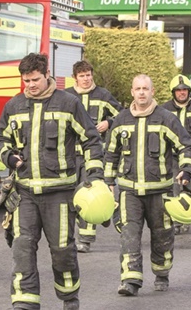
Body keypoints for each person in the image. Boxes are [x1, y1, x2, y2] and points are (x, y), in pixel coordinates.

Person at [0, 53, 105, 310]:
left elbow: (91, 139)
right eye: (26, 80)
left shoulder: (68, 103)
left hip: (60, 194)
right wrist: (9, 157)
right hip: (24, 194)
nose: (30, 85)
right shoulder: (14, 105)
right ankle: (25, 302)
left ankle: (69, 298)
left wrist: (95, 177)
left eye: (35, 79)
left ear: (47, 75)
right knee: (22, 249)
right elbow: (0, 139)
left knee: (63, 251)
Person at [104, 74, 191, 296]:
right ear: (132, 92)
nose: (142, 92)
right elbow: (110, 154)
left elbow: (186, 146)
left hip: (160, 191)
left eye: (146, 88)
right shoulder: (121, 120)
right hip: (129, 191)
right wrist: (107, 182)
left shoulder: (166, 118)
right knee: (129, 234)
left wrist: (186, 169)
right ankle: (130, 280)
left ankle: (162, 273)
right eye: (138, 89)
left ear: (152, 91)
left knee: (162, 235)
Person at [65, 60, 122, 253]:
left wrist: (109, 122)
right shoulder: (67, 96)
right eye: (82, 76)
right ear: (75, 78)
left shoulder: (103, 95)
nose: (86, 79)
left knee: (90, 193)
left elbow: (122, 116)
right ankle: (67, 237)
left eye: (89, 75)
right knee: (68, 196)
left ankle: (85, 239)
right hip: (70, 155)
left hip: (95, 155)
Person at [161, 74, 191, 234]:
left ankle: (187, 217)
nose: (182, 93)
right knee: (173, 189)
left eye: (185, 90)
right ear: (173, 92)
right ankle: (175, 221)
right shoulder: (165, 109)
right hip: (171, 157)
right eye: (178, 90)